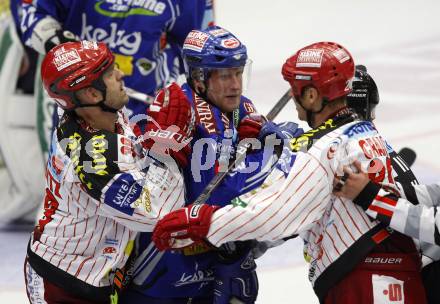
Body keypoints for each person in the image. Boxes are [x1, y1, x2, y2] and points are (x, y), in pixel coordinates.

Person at [152, 42, 427, 303]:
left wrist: (203, 222)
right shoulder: (363, 135)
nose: (292, 98)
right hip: (383, 276)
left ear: (311, 95)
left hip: (372, 282)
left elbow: (277, 212)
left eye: (295, 89)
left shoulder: (326, 149)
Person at [122, 25, 302, 304]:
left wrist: (271, 142)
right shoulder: (177, 105)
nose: (235, 84)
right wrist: (273, 152)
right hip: (164, 265)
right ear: (199, 77)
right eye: (225, 75)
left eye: (239, 72)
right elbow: (221, 191)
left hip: (212, 257)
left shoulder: (241, 106)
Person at [0, 0, 213, 223]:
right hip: (86, 111)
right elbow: (30, 11)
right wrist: (52, 38)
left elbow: (198, 46)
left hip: (151, 113)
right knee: (83, 212)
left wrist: (196, 102)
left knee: (155, 209)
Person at [24, 40, 194, 303]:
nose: (121, 74)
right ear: (92, 94)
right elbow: (157, 214)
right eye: (111, 72)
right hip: (65, 284)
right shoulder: (95, 158)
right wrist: (164, 152)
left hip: (94, 267)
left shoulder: (98, 115)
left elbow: (129, 154)